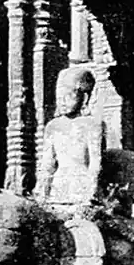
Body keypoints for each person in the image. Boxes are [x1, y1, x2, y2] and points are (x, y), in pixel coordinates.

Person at [35, 66, 106, 210]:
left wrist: (91, 190)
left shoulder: (93, 125)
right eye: (59, 97)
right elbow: (47, 164)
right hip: (58, 186)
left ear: (84, 97)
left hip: (82, 185)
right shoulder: (52, 126)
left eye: (68, 96)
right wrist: (41, 189)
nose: (62, 101)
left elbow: (95, 163)